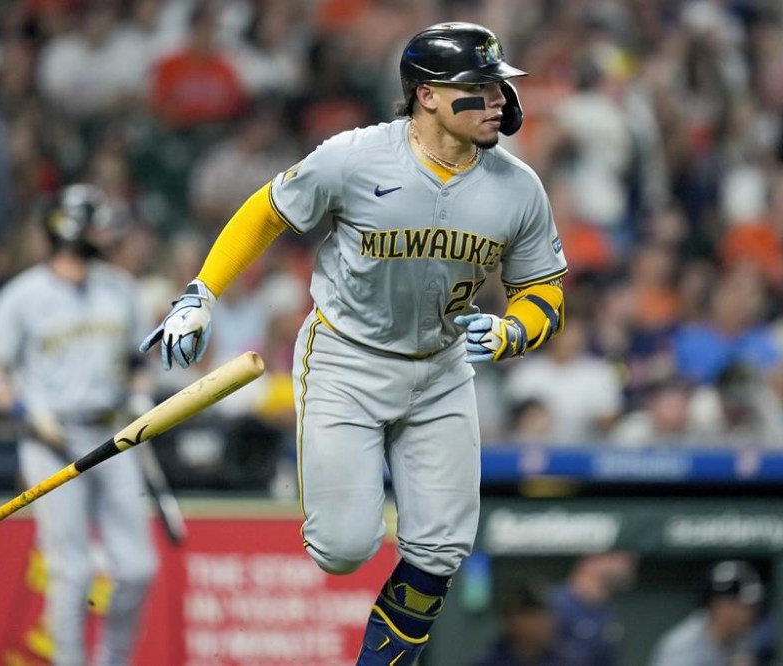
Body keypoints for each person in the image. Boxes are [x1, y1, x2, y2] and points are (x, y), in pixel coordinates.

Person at [141, 21, 567, 665]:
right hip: (348, 357)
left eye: (498, 87)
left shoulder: (518, 187)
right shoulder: (355, 157)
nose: (498, 103)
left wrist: (515, 330)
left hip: (441, 367)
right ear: (426, 95)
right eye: (477, 89)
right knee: (341, 549)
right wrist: (202, 291)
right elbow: (267, 210)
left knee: (442, 549)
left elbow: (544, 289)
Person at [0, 184, 158, 666]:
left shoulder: (120, 287)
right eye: (95, 222)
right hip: (51, 438)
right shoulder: (22, 296)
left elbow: (139, 360)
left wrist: (140, 392)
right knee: (71, 571)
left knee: (139, 567)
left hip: (114, 433)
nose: (106, 232)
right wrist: (25, 411)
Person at [648, 560, 764, 666]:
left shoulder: (744, 638)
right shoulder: (683, 648)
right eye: (743, 606)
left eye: (753, 606)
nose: (750, 613)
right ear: (719, 606)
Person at [551, 551, 637, 665]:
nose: (629, 561)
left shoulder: (608, 612)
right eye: (618, 553)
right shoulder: (555, 605)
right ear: (591, 560)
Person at [473, 579, 565, 666]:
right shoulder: (490, 663)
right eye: (535, 616)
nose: (547, 624)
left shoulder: (565, 662)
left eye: (548, 616)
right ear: (513, 620)